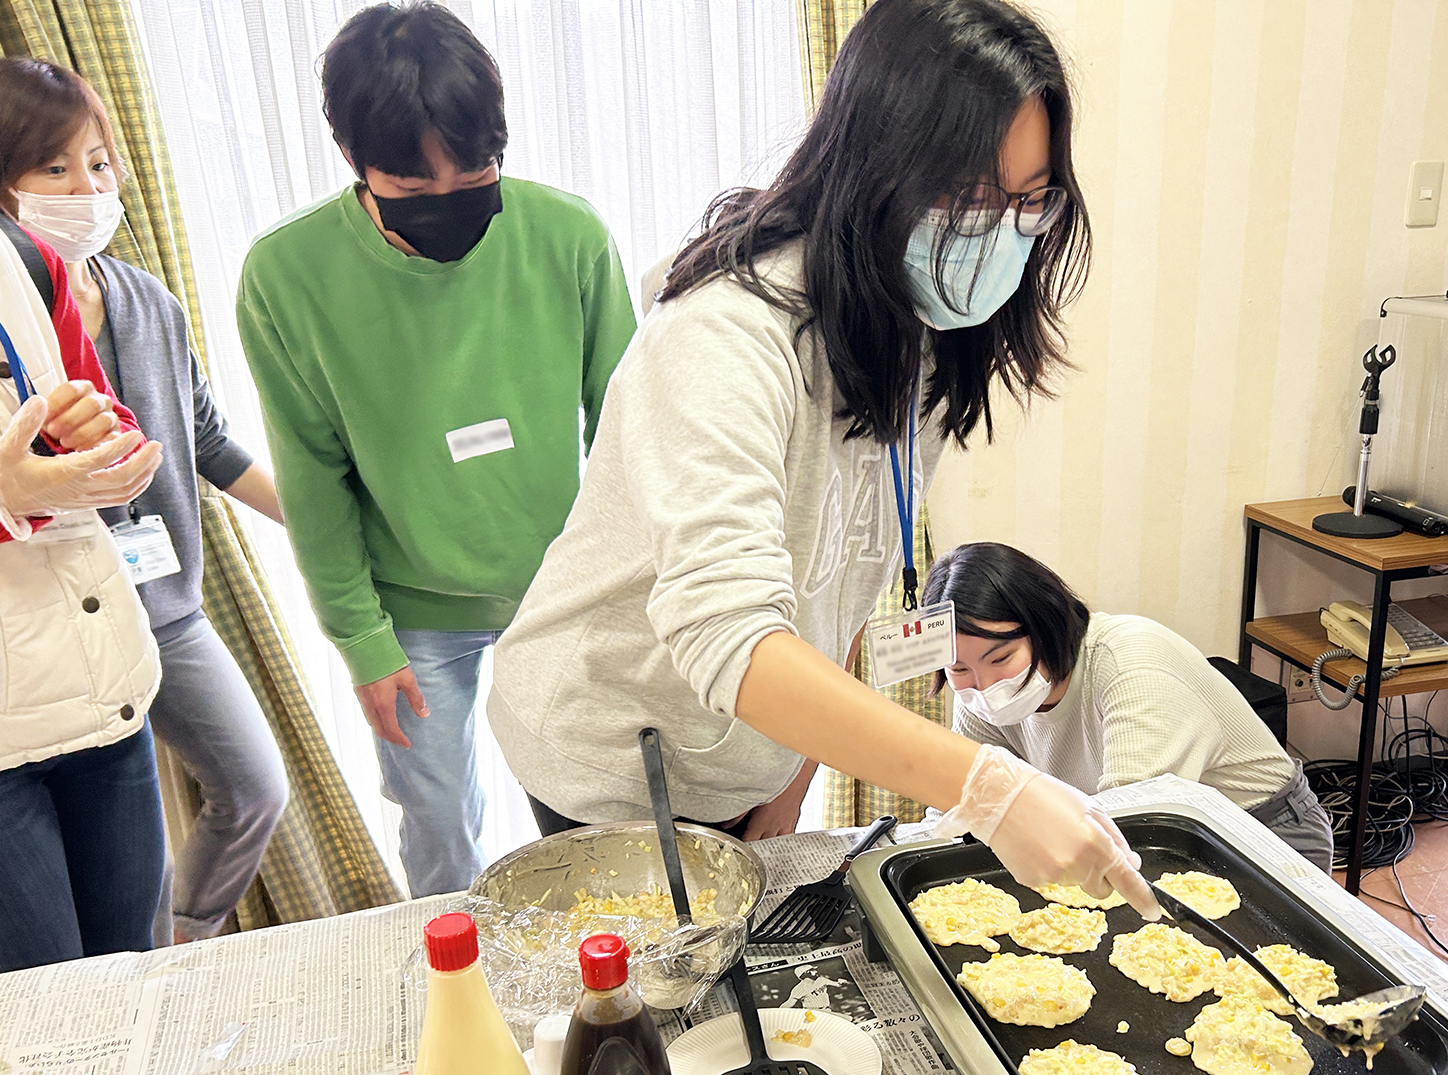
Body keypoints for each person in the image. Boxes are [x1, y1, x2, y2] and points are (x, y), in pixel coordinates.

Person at [488, 0, 1157, 917]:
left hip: (746, 746)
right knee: (661, 1003)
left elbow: (842, 579)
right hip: (617, 745)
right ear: (876, 169)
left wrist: (795, 770)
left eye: (1029, 199)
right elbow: (729, 631)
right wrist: (990, 789)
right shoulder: (724, 334)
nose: (1002, 231)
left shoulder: (909, 326)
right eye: (970, 198)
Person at [236, 1, 636, 897]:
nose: (452, 203)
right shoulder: (286, 277)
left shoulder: (568, 237)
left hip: (566, 586)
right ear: (352, 160)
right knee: (439, 825)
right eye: (415, 191)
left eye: (479, 174)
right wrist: (360, 639)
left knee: (598, 812)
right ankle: (457, 995)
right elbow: (314, 476)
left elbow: (627, 430)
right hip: (411, 608)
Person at [0, 57, 291, 943]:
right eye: (55, 168)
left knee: (255, 786)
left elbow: (211, 442)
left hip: (166, 609)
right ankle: (146, 969)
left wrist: (324, 528)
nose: (88, 186)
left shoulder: (145, 300)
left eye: (100, 163)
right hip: (56, 622)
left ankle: (181, 946)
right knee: (119, 858)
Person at [0, 5, 168, 977]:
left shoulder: (15, 249)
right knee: (45, 1039)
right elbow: (4, 490)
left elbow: (100, 410)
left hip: (100, 685)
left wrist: (112, 451)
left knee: (136, 992)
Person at [925, 542, 1338, 871]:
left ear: (1046, 625)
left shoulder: (1129, 663)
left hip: (1261, 825)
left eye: (1000, 659)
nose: (985, 685)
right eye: (959, 668)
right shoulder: (977, 694)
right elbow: (965, 794)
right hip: (1147, 829)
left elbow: (1128, 824)